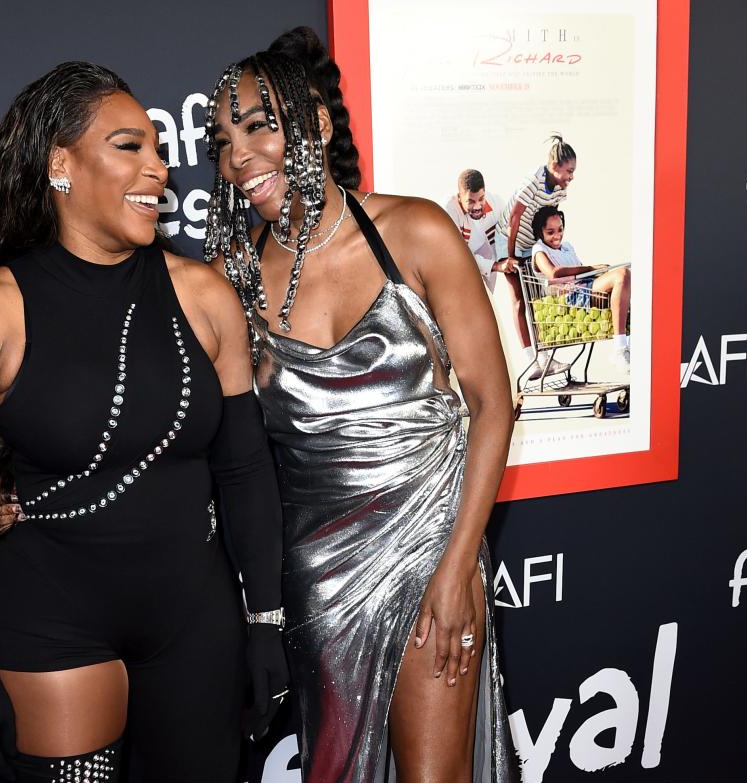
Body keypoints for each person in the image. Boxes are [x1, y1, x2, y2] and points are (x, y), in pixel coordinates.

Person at [0, 61, 287, 783]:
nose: (160, 167)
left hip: (195, 624)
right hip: (53, 626)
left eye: (159, 149)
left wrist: (266, 622)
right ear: (62, 164)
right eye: (131, 146)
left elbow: (245, 468)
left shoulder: (205, 295)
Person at [203, 27, 519, 783]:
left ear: (314, 122)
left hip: (429, 550)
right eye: (221, 140)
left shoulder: (415, 231)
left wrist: (455, 570)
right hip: (317, 576)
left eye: (258, 127)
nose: (238, 156)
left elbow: (494, 404)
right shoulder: (231, 277)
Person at [495, 134, 578, 380]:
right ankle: (531, 359)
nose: (571, 176)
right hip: (508, 239)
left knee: (539, 300)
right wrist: (510, 257)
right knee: (520, 300)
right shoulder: (534, 181)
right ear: (554, 167)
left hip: (530, 244)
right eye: (568, 171)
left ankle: (545, 357)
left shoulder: (560, 191)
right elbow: (514, 218)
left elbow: (550, 222)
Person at [530, 206, 631, 372]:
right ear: (540, 232)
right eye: (550, 232)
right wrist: (592, 267)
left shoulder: (567, 246)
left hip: (585, 288)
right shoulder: (539, 250)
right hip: (571, 298)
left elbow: (581, 271)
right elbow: (554, 274)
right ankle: (620, 348)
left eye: (560, 230)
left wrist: (596, 271)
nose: (557, 236)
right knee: (621, 275)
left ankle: (627, 346)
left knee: (625, 277)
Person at [443, 169, 510, 292]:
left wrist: (505, 261)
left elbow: (506, 237)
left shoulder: (497, 203)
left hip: (486, 253)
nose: (477, 206)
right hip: (455, 261)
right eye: (471, 202)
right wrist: (495, 266)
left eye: (481, 199)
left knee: (487, 299)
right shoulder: (449, 211)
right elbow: (459, 254)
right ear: (459, 197)